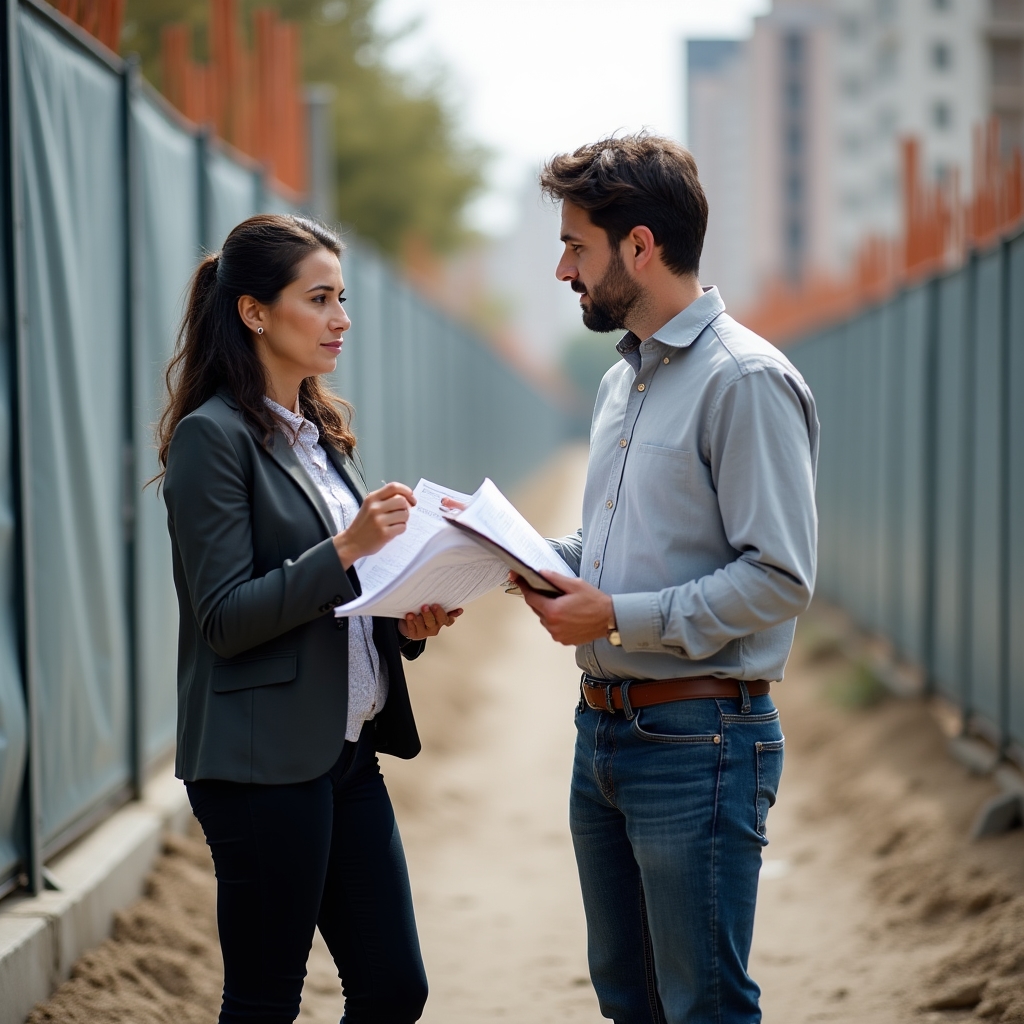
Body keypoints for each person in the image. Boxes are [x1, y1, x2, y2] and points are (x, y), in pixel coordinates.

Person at [516, 134, 819, 1023]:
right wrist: (513, 557)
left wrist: (616, 614)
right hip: (603, 739)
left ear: (639, 247)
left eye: (576, 245)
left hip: (701, 741)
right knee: (631, 1002)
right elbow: (620, 548)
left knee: (705, 1008)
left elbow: (779, 578)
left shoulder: (746, 380)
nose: (564, 269)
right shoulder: (627, 384)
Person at [157, 214, 459, 1024]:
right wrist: (348, 548)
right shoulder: (209, 439)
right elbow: (223, 617)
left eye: (343, 297)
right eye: (319, 299)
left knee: (396, 988)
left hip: (347, 754)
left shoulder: (320, 434)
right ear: (255, 312)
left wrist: (404, 620)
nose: (342, 319)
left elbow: (338, 598)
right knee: (263, 1001)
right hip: (261, 765)